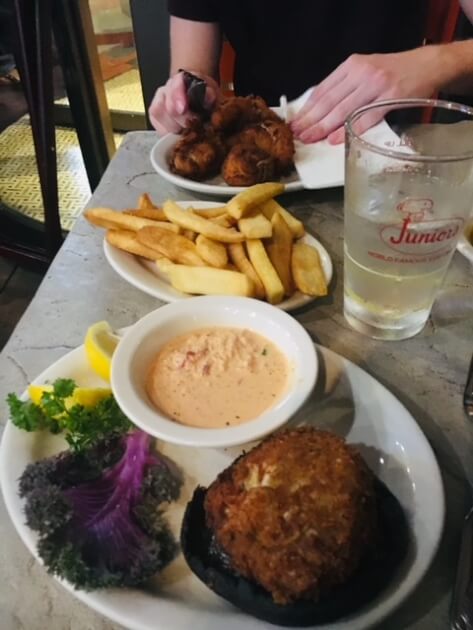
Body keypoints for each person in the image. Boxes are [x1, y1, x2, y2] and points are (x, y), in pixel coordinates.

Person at [149, 0, 473, 144]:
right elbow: (193, 70)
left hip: (396, 159)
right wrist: (184, 95)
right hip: (262, 153)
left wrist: (433, 63)